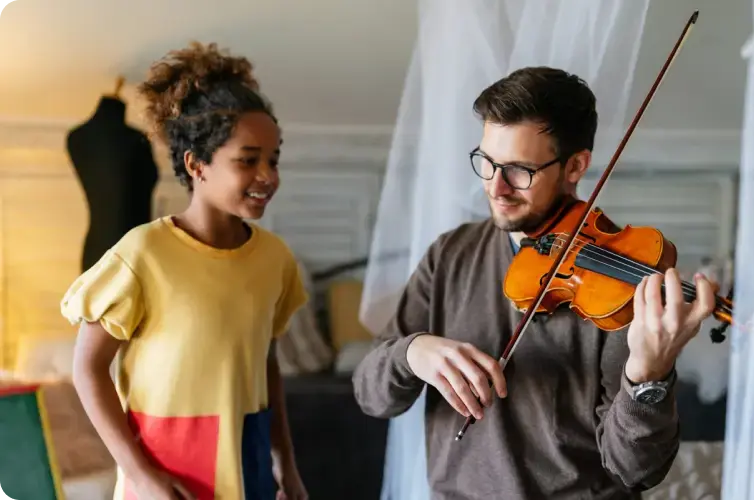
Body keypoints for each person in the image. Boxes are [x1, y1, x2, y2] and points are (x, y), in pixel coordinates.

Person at [352, 67, 716, 499]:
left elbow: (636, 470)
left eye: (519, 171)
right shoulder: (451, 254)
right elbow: (372, 396)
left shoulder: (621, 285)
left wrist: (647, 377)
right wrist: (411, 352)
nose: (496, 186)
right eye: (486, 162)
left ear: (575, 165)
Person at [62, 42, 308, 500]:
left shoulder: (275, 259)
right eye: (248, 159)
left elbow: (266, 362)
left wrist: (285, 462)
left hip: (247, 462)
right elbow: (87, 370)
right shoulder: (143, 254)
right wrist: (142, 476)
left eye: (273, 160)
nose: (268, 175)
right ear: (197, 164)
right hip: (166, 476)